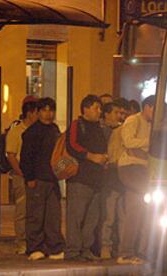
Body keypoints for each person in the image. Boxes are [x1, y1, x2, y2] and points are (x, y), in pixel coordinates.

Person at [20, 97, 65, 261]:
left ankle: (54, 246)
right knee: (35, 215)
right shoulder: (31, 132)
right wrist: (29, 177)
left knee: (53, 215)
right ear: (38, 112)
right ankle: (34, 247)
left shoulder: (54, 129)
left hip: (53, 179)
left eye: (51, 110)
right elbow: (25, 158)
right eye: (45, 110)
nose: (48, 114)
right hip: (37, 179)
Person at [65, 95, 108, 261]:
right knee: (76, 217)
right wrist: (91, 156)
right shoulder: (77, 125)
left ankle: (85, 249)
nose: (99, 111)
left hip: (96, 180)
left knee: (92, 217)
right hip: (80, 179)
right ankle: (73, 250)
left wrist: (104, 158)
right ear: (86, 109)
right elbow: (72, 145)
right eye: (96, 108)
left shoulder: (98, 127)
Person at [116, 95, 155, 265]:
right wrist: (149, 142)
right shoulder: (133, 120)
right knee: (135, 210)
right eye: (154, 108)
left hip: (144, 169)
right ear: (146, 107)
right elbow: (129, 142)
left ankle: (140, 250)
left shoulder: (152, 124)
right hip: (131, 169)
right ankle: (126, 252)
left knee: (144, 211)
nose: (155, 112)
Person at [5, 95, 39, 254]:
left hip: (37, 175)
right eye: (37, 111)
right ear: (30, 113)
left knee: (35, 210)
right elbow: (11, 155)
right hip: (21, 176)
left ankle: (34, 240)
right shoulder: (17, 131)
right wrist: (21, 173)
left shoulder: (39, 131)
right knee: (22, 210)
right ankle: (21, 242)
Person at [100, 102, 123, 259]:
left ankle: (119, 246)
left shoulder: (119, 131)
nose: (119, 116)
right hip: (109, 180)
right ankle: (105, 247)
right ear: (106, 114)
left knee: (120, 216)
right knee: (109, 216)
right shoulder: (104, 132)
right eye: (116, 112)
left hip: (121, 179)